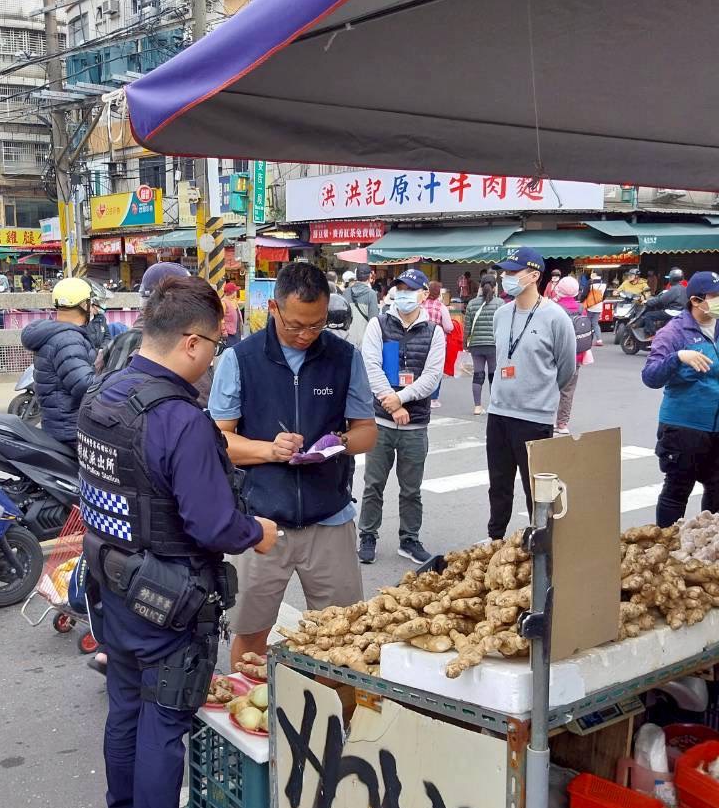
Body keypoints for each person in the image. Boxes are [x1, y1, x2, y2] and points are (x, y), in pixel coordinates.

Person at [78, 274, 276, 808]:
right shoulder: (179, 419)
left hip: (111, 581)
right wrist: (260, 533)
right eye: (216, 346)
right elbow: (214, 523)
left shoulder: (101, 393)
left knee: (125, 710)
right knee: (165, 725)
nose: (216, 357)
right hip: (168, 597)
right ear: (192, 342)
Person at [210, 262, 378, 661]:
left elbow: (367, 432)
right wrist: (270, 450)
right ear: (273, 308)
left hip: (329, 520)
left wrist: (335, 443)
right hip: (261, 523)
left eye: (316, 325)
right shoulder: (241, 359)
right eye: (295, 325)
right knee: (250, 635)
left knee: (344, 636)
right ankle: (248, 716)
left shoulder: (344, 358)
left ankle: (341, 718)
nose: (305, 335)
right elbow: (217, 440)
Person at [642, 272, 719, 528]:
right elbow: (650, 376)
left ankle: (709, 551)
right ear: (695, 300)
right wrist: (678, 357)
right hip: (684, 429)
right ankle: (668, 550)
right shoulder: (674, 333)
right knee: (676, 493)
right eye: (717, 296)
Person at [485, 248, 577, 540]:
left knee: (534, 488)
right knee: (498, 484)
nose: (506, 278)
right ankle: (495, 538)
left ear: (534, 275)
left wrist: (541, 396)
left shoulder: (555, 317)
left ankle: (541, 544)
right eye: (505, 272)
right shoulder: (501, 314)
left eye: (513, 272)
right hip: (498, 413)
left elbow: (566, 368)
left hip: (534, 418)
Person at [357, 268, 445, 565]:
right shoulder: (377, 325)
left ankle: (409, 539)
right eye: (400, 288)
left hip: (416, 424)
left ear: (423, 294)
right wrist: (393, 405)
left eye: (410, 289)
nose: (404, 294)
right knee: (373, 485)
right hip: (381, 421)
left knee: (411, 489)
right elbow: (371, 367)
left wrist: (402, 399)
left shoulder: (434, 332)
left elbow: (431, 377)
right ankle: (367, 535)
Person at [22, 277, 98, 450]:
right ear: (84, 305)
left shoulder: (59, 334)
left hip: (60, 426)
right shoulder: (68, 339)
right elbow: (84, 386)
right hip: (72, 431)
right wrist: (112, 378)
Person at [553, 275, 589, 435]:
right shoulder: (581, 308)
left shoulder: (554, 308)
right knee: (568, 391)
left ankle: (544, 420)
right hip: (576, 356)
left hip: (554, 356)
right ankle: (562, 424)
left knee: (547, 389)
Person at [465, 273, 501, 414]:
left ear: (480, 287)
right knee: (493, 375)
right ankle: (494, 405)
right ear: (494, 287)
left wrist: (465, 344)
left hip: (476, 345)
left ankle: (477, 406)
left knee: (478, 375)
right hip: (493, 344)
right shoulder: (500, 304)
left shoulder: (472, 304)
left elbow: (467, 327)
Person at [639, 267, 688, 338]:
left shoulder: (674, 289)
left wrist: (648, 302)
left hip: (673, 311)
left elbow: (661, 300)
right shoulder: (684, 288)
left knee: (648, 315)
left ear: (672, 279)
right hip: (682, 312)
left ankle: (651, 335)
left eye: (669, 278)